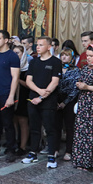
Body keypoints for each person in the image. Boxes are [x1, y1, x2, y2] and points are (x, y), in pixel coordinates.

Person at [22, 37, 63, 167]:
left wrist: (42, 97)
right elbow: (28, 80)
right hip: (33, 98)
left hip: (48, 100)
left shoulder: (56, 62)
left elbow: (54, 82)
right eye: (37, 45)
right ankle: (33, 152)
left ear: (49, 46)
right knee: (34, 127)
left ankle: (51, 155)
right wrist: (39, 91)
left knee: (50, 128)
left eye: (41, 45)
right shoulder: (34, 62)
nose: (37, 47)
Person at [57, 47, 80, 162]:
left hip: (70, 100)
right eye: (62, 55)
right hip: (57, 98)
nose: (64, 57)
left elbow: (75, 88)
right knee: (56, 125)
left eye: (67, 55)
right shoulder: (57, 68)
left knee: (69, 126)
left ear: (72, 58)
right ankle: (55, 149)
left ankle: (68, 151)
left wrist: (65, 103)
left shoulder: (76, 70)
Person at [12, 44, 30, 156]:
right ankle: (15, 143)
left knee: (23, 121)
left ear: (23, 54)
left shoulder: (27, 68)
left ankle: (23, 146)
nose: (15, 55)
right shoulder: (12, 66)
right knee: (13, 120)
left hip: (24, 95)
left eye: (17, 53)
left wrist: (17, 79)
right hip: (13, 96)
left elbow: (29, 84)